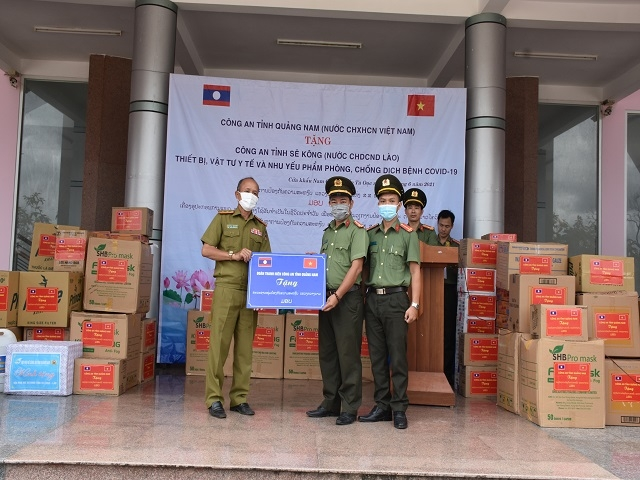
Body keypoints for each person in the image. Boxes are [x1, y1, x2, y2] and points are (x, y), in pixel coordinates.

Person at [201, 177, 271, 419]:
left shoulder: (261, 227)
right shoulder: (223, 219)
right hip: (227, 289)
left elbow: (267, 264)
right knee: (218, 347)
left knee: (244, 351)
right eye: (247, 191)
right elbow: (206, 249)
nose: (251, 195)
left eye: (255, 192)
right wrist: (232, 255)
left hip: (250, 294)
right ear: (237, 194)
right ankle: (214, 399)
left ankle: (239, 399)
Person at [359, 174, 421, 429]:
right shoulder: (370, 234)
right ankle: (382, 405)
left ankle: (399, 408)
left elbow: (415, 271)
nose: (387, 203)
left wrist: (414, 304)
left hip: (397, 300)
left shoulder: (408, 235)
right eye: (382, 199)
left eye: (391, 200)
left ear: (399, 205)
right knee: (376, 357)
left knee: (397, 357)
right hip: (373, 300)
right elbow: (363, 270)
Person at [306, 176, 368, 426]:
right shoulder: (328, 231)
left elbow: (356, 268)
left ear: (351, 203)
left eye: (343, 200)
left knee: (348, 354)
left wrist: (338, 296)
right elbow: (328, 265)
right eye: (334, 200)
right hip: (326, 298)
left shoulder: (358, 231)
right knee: (328, 353)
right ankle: (330, 402)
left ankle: (349, 407)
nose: (338, 204)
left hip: (347, 299)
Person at [430, 209, 459, 388]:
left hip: (448, 293)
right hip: (430, 290)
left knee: (447, 335)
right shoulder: (428, 242)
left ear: (452, 226)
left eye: (447, 226)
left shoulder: (456, 246)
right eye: (441, 225)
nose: (443, 229)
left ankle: (447, 377)